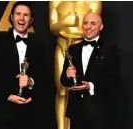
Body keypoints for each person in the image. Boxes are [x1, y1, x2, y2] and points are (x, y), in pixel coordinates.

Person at [0, 2, 46, 129]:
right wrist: (8, 96)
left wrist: (31, 81)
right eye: (18, 14)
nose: (21, 18)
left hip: (31, 115)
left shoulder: (40, 45)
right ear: (12, 17)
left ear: (31, 20)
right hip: (4, 112)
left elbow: (45, 78)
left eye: (26, 15)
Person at [60, 12, 120, 129]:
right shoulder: (73, 49)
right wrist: (68, 75)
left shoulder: (110, 50)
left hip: (99, 112)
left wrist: (91, 86)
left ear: (101, 27)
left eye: (93, 23)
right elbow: (63, 81)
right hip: (77, 112)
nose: (88, 27)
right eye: (85, 23)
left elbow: (114, 80)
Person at [49, 1, 102, 129]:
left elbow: (93, 28)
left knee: (83, 92)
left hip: (81, 48)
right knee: (61, 91)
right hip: (63, 46)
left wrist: (73, 26)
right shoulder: (55, 1)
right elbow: (53, 28)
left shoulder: (94, 2)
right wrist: (65, 22)